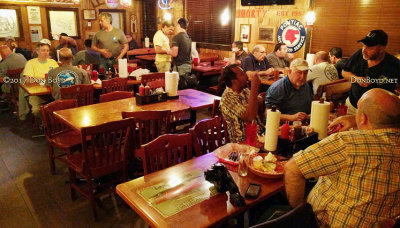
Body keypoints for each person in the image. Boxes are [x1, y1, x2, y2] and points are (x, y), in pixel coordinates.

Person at [284, 88, 400, 227]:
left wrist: (299, 213)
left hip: (323, 223)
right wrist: (356, 121)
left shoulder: (348, 143)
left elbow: (292, 169)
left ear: (363, 117)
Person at [342, 29, 400, 115]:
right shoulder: (359, 54)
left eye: (369, 48)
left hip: (377, 113)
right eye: (363, 46)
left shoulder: (394, 64)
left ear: (381, 49)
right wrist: (357, 79)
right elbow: (344, 72)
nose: (363, 51)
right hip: (353, 106)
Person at [220, 64, 263, 143]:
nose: (246, 75)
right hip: (242, 142)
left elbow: (259, 102)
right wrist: (254, 87)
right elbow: (250, 117)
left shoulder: (244, 90)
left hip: (259, 134)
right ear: (234, 81)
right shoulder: (227, 98)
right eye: (242, 74)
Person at [20, 39, 59, 120]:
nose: (46, 52)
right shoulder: (31, 63)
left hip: (52, 92)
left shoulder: (53, 62)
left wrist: (38, 79)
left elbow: (58, 76)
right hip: (37, 94)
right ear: (37, 52)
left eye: (47, 50)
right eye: (43, 50)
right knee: (36, 110)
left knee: (65, 105)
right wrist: (43, 80)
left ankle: (55, 123)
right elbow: (28, 80)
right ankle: (46, 124)